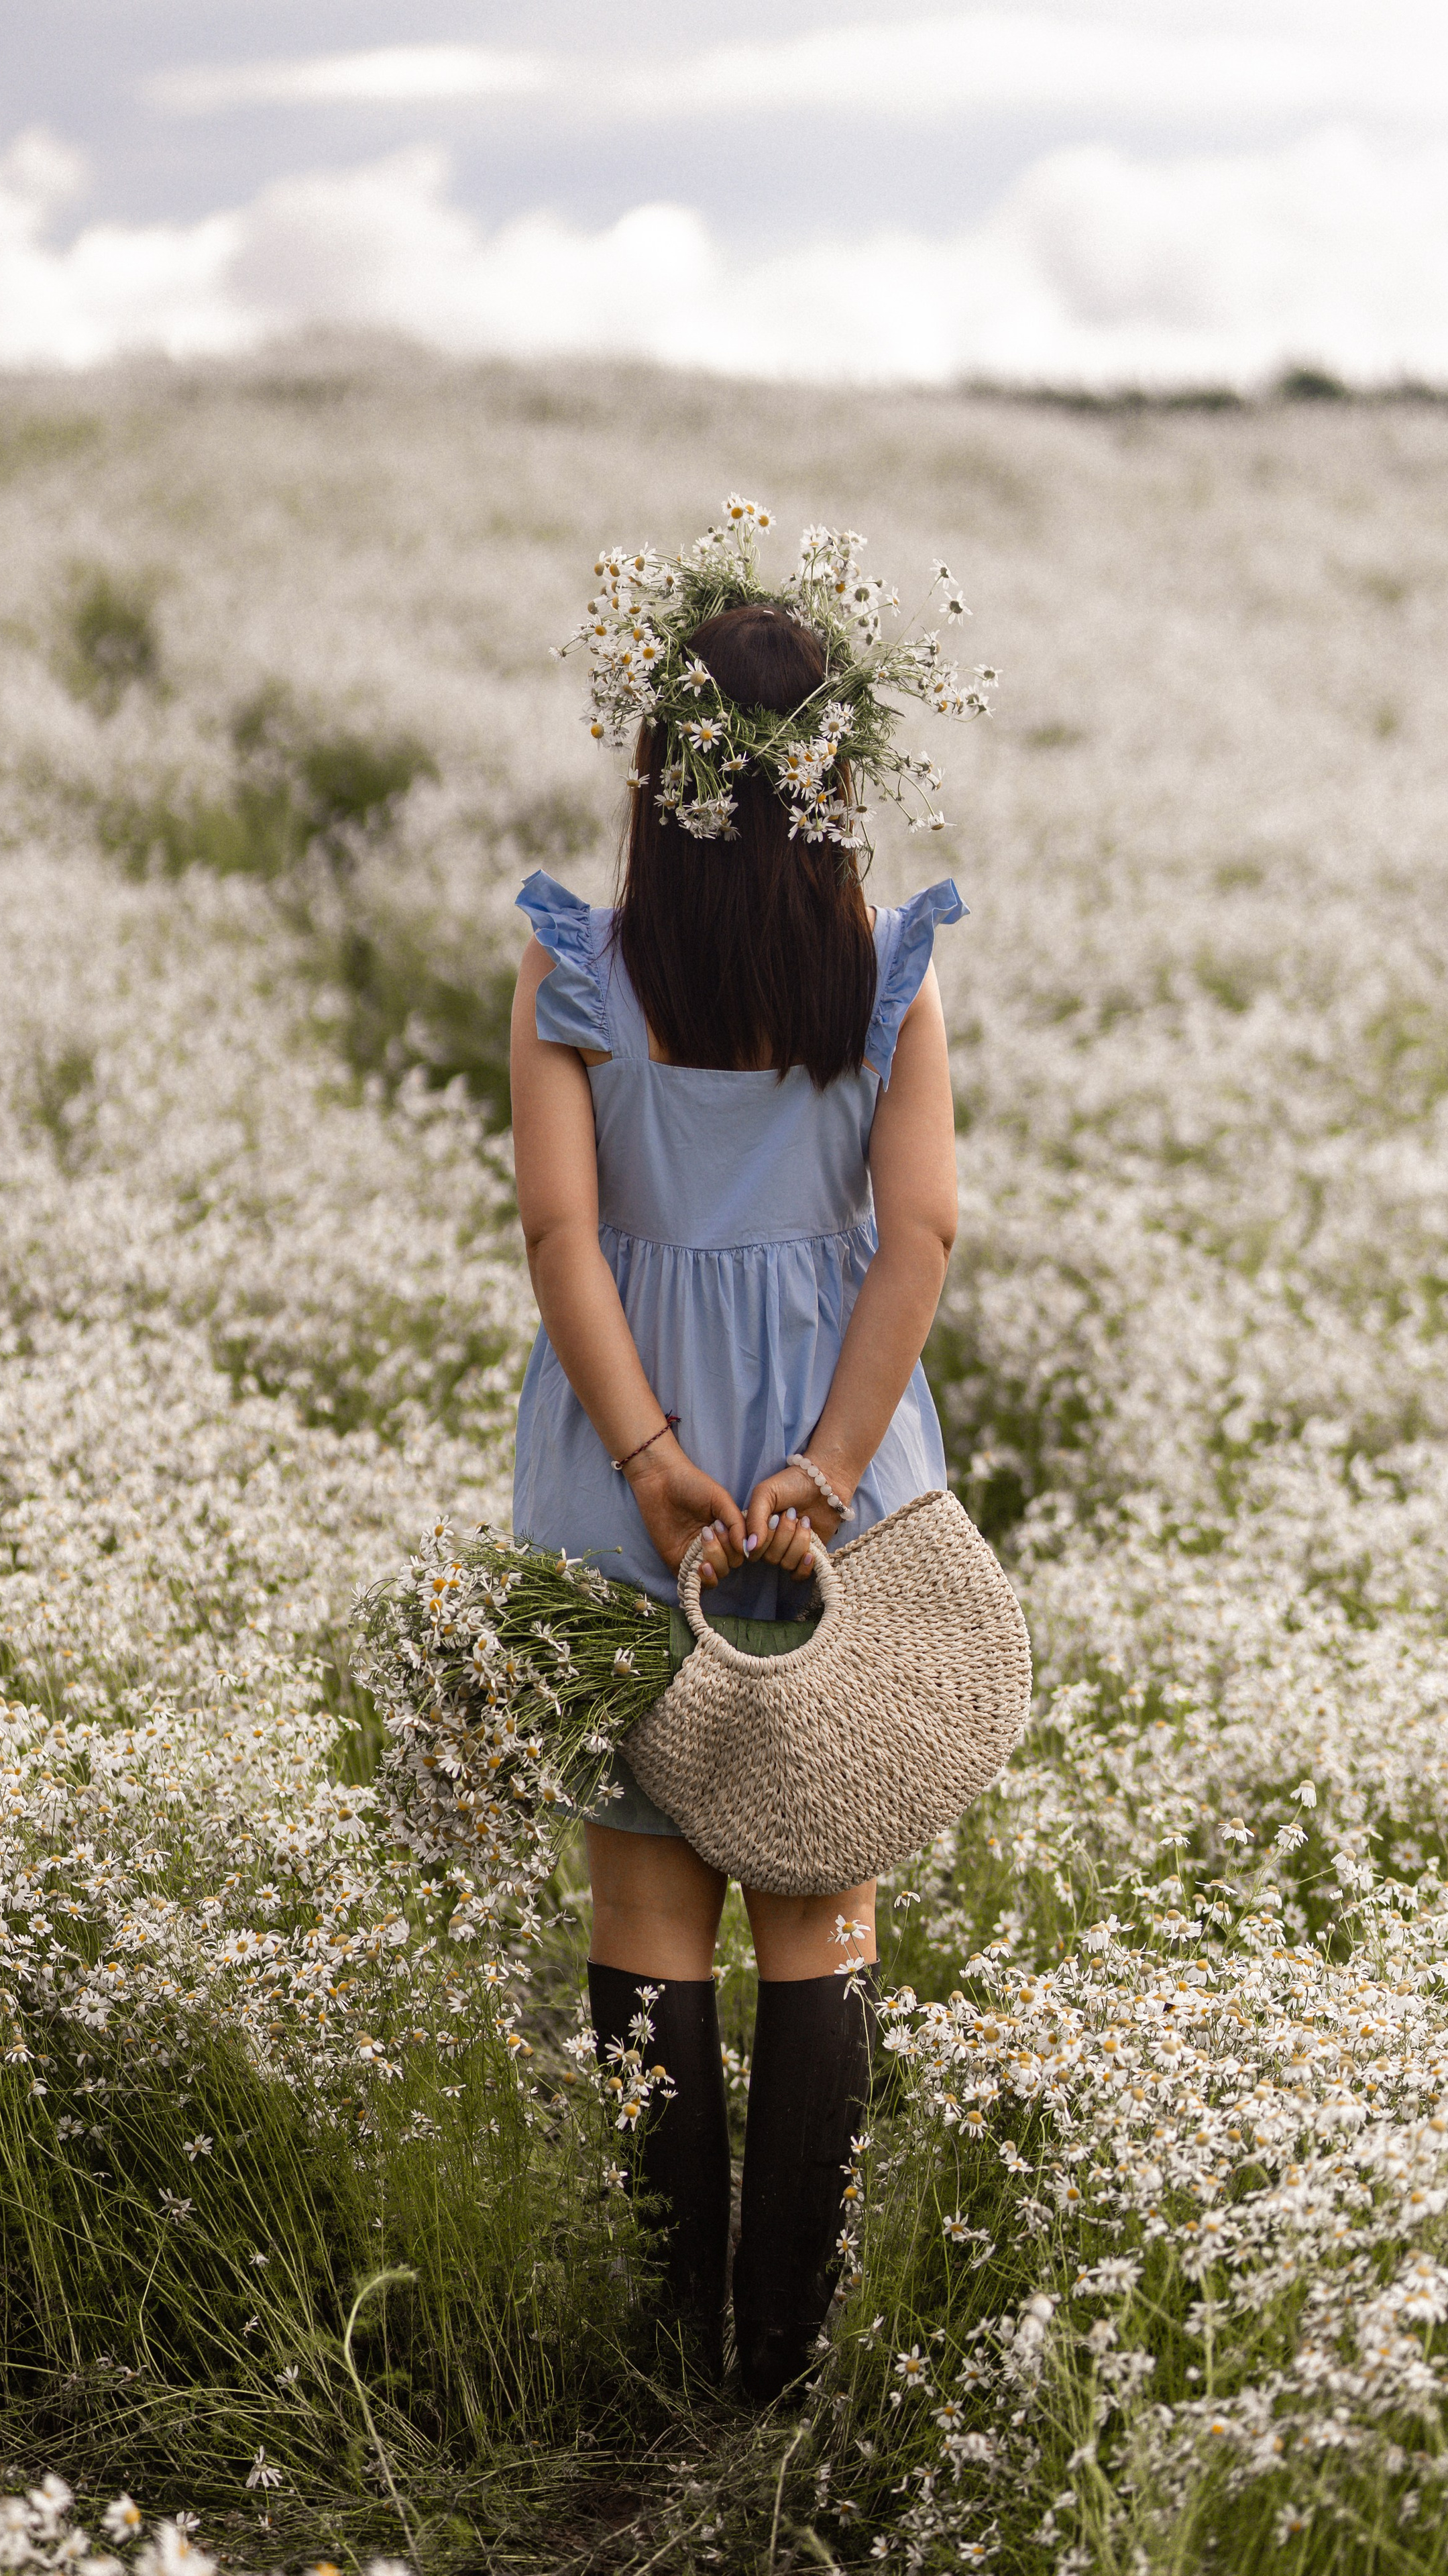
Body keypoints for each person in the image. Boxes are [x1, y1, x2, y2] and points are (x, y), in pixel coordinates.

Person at [510, 589, 965, 2401]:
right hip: (834, 1473)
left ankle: (667, 2362)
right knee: (821, 1906)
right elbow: (920, 1234)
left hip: (631, 1446)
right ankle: (784, 2368)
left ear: (659, 778)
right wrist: (829, 1473)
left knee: (643, 1913)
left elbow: (561, 1233)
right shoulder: (885, 974)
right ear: (837, 782)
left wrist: (647, 1461)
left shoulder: (578, 970)